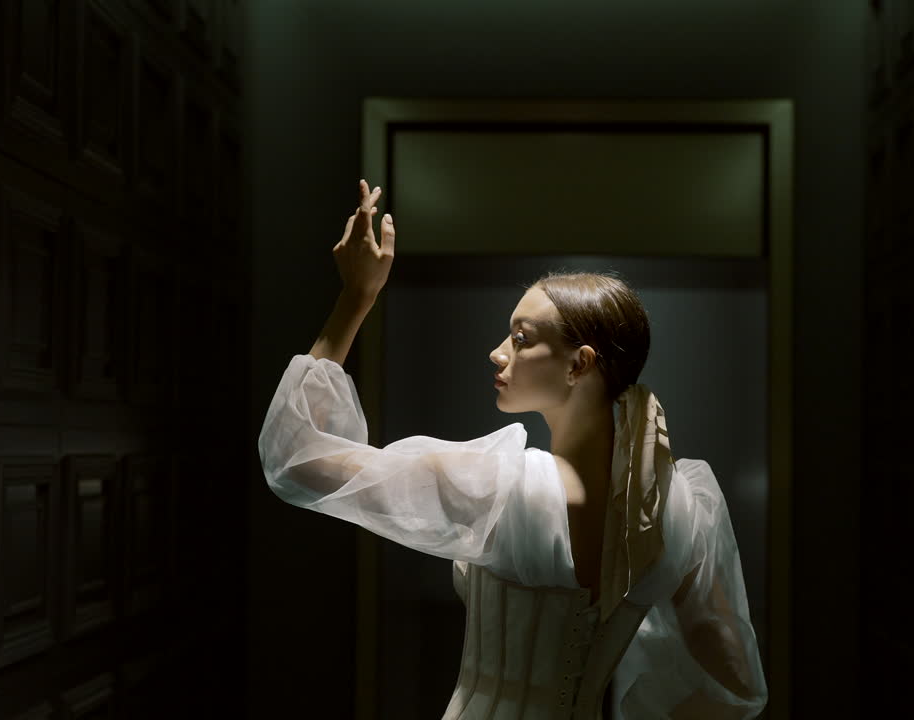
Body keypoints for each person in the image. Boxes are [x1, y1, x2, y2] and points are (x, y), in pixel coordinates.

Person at [258, 180, 768, 719]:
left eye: (521, 339)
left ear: (579, 364)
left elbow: (298, 460)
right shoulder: (681, 509)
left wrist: (354, 298)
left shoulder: (499, 488)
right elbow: (734, 687)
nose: (498, 353)